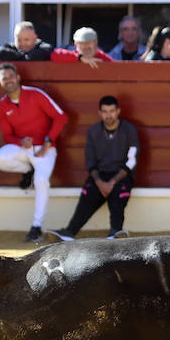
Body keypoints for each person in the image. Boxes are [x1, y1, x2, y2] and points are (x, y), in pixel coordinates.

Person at [47, 95, 139, 242]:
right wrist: (100, 182)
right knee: (88, 192)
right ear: (100, 113)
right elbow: (90, 161)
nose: (108, 115)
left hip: (121, 175)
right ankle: (69, 232)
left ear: (118, 111)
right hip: (99, 175)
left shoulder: (129, 130)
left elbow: (132, 161)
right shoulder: (94, 131)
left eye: (112, 111)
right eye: (105, 111)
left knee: (118, 194)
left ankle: (115, 233)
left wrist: (112, 182)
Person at [0, 62, 66, 243]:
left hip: (45, 149)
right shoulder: (1, 106)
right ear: (0, 82)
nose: (8, 81)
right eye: (4, 79)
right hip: (23, 148)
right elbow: (7, 135)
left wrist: (48, 142)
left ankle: (36, 226)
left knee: (41, 180)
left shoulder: (36, 94)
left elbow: (60, 117)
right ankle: (28, 171)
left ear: (18, 77)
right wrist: (20, 141)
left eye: (10, 77)